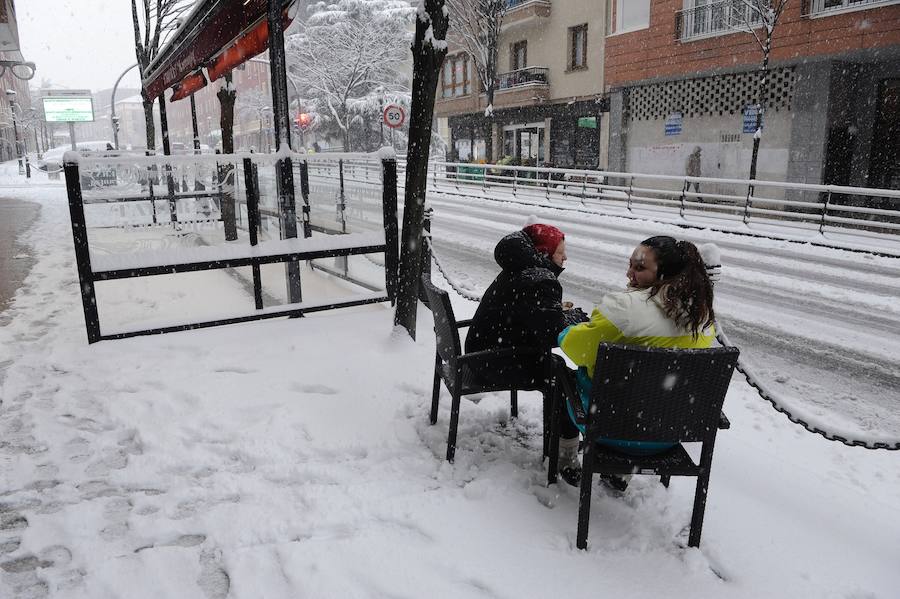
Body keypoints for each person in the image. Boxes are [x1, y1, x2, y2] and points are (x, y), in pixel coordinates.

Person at [554, 235, 717, 487]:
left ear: (665, 274)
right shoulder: (703, 320)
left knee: (564, 377)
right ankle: (619, 474)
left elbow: (577, 350)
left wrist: (566, 330)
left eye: (639, 268)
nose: (629, 273)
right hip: (669, 433)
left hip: (611, 429)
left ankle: (565, 459)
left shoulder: (625, 310)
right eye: (630, 265)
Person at [465, 224, 571, 390]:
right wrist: (577, 319)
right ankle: (559, 416)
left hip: (479, 354)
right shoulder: (540, 280)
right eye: (560, 252)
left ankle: (556, 414)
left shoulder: (519, 268)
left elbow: (531, 318)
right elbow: (552, 334)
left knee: (555, 366)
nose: (565, 257)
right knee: (560, 374)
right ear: (545, 253)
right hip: (493, 363)